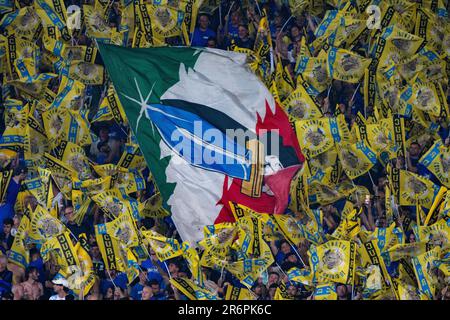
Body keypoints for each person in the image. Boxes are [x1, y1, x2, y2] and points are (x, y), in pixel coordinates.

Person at [0, 165, 27, 230]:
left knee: (8, 228)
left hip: (13, 209)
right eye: (26, 174)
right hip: (5, 207)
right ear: (22, 174)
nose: (26, 176)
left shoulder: (21, 185)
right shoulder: (7, 181)